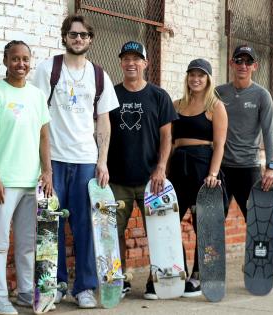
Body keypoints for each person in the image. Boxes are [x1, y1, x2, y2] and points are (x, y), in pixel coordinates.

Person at [30, 14, 119, 308]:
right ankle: (55, 285)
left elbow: (103, 121)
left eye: (82, 35)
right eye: (72, 34)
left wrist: (102, 161)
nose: (77, 39)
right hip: (53, 160)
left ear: (90, 39)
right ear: (64, 37)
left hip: (84, 161)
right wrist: (44, 166)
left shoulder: (98, 75)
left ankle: (84, 288)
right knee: (50, 227)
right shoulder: (48, 70)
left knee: (85, 228)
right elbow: (38, 118)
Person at [0, 40, 52, 315]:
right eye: (14, 59)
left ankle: (24, 291)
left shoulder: (36, 96)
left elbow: (44, 136)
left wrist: (47, 172)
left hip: (31, 182)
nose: (20, 64)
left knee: (26, 244)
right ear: (5, 61)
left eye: (25, 59)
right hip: (3, 182)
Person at [106, 41, 178, 300]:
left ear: (146, 63)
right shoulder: (111, 95)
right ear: (121, 63)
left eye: (137, 59)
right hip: (117, 179)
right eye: (126, 58)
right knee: (113, 233)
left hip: (152, 181)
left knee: (158, 233)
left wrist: (161, 168)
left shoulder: (159, 96)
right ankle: (121, 278)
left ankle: (154, 279)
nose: (131, 63)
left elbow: (167, 136)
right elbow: (102, 132)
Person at [168, 58, 229, 297]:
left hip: (203, 166)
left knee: (202, 224)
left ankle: (199, 274)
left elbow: (220, 145)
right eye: (192, 74)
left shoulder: (216, 107)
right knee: (170, 221)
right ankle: (179, 271)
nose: (196, 79)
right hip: (178, 165)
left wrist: (213, 174)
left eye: (200, 75)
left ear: (208, 79)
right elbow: (171, 142)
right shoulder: (176, 105)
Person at [216, 45, 273, 219]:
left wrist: (271, 168)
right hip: (222, 168)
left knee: (257, 221)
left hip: (248, 168)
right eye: (239, 60)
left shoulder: (262, 96)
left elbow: (268, 133)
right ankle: (212, 249)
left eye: (248, 61)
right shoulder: (219, 93)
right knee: (214, 221)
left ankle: (258, 248)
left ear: (255, 66)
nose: (243, 65)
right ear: (231, 63)